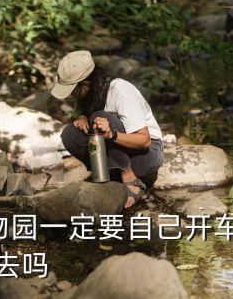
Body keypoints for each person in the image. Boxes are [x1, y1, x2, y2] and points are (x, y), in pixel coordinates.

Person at [51, 50, 164, 208]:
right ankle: (106, 175)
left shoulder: (120, 91)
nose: (71, 95)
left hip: (147, 154)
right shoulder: (88, 95)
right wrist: (81, 118)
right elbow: (79, 116)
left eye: (73, 90)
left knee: (99, 117)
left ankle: (130, 178)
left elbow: (144, 141)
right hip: (120, 152)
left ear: (86, 84)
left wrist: (111, 134)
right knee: (70, 134)